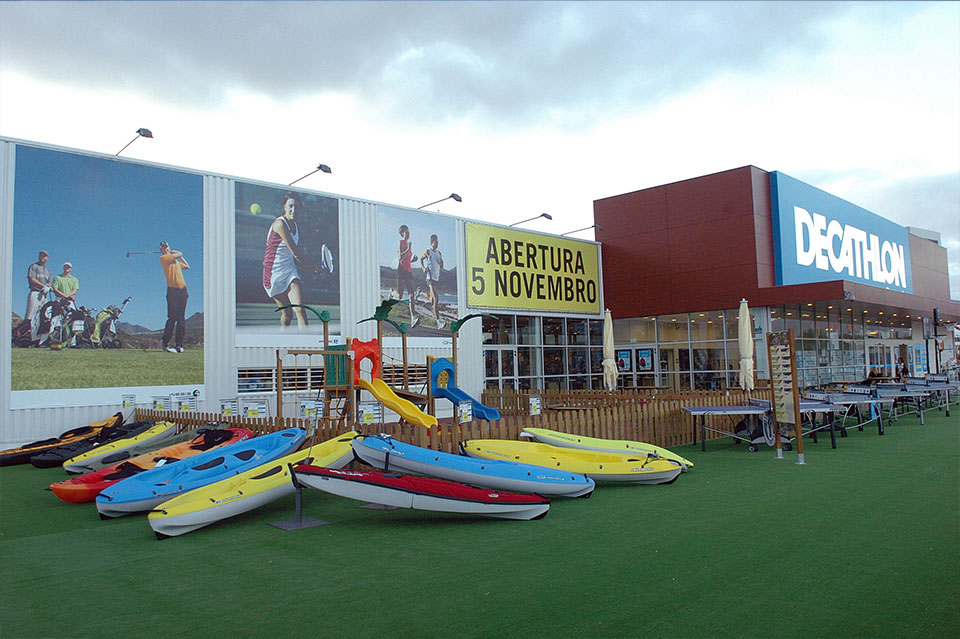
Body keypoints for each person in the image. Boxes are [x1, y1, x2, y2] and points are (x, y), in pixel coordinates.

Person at [262, 192, 320, 329]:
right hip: (273, 274)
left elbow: (294, 257)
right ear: (284, 207)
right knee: (288, 315)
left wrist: (314, 267)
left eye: (297, 207)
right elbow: (296, 254)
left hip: (289, 270)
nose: (293, 210)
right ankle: (284, 337)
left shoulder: (295, 226)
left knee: (300, 309)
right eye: (291, 206)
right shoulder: (279, 224)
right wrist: (313, 267)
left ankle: (306, 346)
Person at [159, 241, 189, 353]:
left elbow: (187, 266)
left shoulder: (175, 262)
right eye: (163, 248)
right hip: (172, 291)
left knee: (181, 318)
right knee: (172, 318)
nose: (166, 249)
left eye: (167, 247)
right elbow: (180, 253)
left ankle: (179, 345)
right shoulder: (164, 259)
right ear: (161, 250)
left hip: (183, 291)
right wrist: (177, 253)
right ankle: (165, 343)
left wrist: (181, 257)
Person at [395, 225, 419, 328]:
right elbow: (400, 256)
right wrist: (408, 248)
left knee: (411, 295)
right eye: (406, 232)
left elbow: (406, 260)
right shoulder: (401, 243)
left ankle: (413, 318)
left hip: (409, 271)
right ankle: (393, 293)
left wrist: (413, 260)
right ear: (402, 234)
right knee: (400, 296)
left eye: (409, 232)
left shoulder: (408, 244)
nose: (408, 234)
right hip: (401, 270)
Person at [420, 234, 444, 329]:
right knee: (436, 298)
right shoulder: (427, 251)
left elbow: (441, 266)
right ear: (432, 242)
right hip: (429, 278)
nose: (437, 244)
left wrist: (442, 262)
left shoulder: (439, 253)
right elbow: (421, 259)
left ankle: (421, 293)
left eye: (438, 242)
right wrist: (423, 267)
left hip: (436, 278)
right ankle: (438, 321)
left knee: (431, 300)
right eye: (436, 242)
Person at [25, 250, 51, 322]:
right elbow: (31, 278)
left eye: (45, 256)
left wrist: (48, 286)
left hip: (44, 295)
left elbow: (49, 281)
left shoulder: (48, 270)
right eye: (41, 255)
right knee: (30, 314)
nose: (43, 257)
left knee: (43, 316)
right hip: (35, 293)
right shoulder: (33, 266)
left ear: (47, 258)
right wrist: (43, 286)